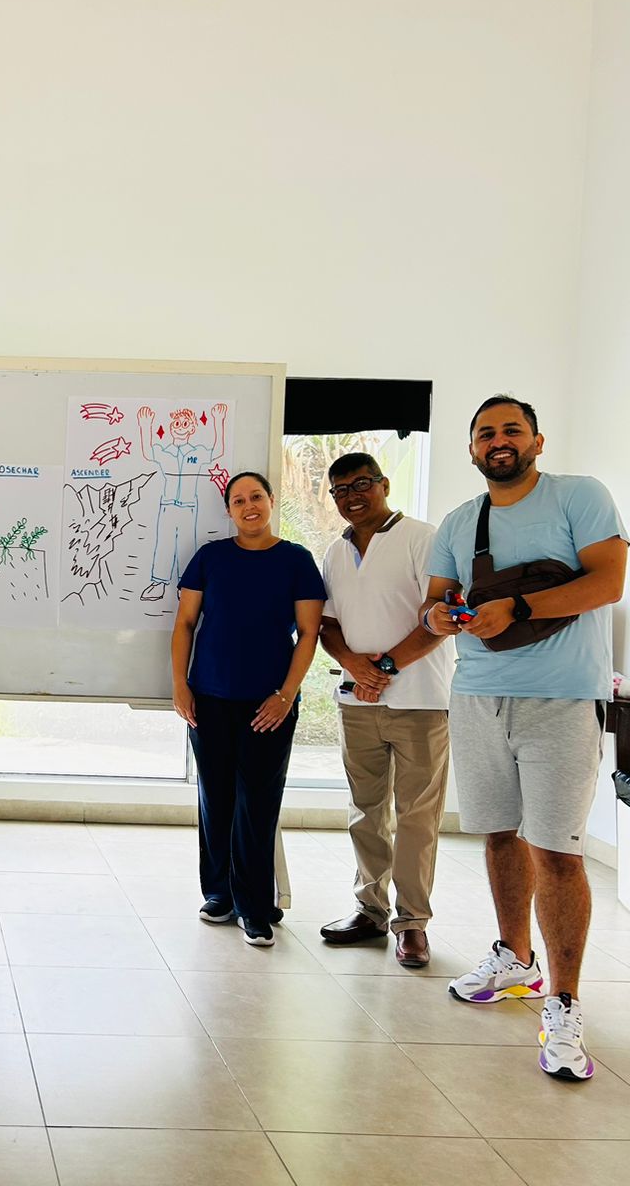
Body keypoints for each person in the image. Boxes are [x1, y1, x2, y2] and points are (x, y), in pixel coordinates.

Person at [425, 396, 627, 1082]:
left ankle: (564, 1005)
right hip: (477, 695)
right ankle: (515, 959)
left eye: (512, 429)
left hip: (562, 699)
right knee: (498, 835)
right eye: (486, 433)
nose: (499, 440)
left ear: (537, 441)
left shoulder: (580, 497)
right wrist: (441, 616)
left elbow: (608, 582)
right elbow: (435, 599)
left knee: (558, 852)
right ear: (472, 450)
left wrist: (518, 606)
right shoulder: (460, 521)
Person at [170, 471, 325, 947]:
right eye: (238, 500)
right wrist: (180, 685)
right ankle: (219, 894)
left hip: (269, 705)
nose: (248, 506)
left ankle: (255, 907)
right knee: (215, 799)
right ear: (229, 510)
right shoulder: (210, 557)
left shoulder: (296, 560)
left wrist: (286, 694)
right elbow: (185, 623)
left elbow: (309, 633)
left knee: (257, 804)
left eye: (256, 496)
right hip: (209, 699)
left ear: (271, 501)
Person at [315, 453, 453, 967]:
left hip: (420, 701)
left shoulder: (422, 537)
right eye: (340, 490)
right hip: (357, 702)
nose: (351, 496)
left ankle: (412, 923)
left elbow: (439, 619)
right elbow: (328, 625)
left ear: (384, 484)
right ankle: (370, 910)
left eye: (361, 484)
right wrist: (356, 667)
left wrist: (386, 668)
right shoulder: (335, 551)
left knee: (417, 816)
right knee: (366, 811)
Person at [137, 402, 228, 602]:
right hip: (168, 506)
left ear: (192, 429)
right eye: (176, 423)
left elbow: (218, 450)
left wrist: (218, 420)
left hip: (188, 507)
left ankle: (185, 585)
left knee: (186, 546)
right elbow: (147, 452)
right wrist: (145, 425)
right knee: (164, 544)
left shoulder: (197, 453)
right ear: (171, 428)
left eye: (185, 423)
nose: (180, 426)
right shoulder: (164, 452)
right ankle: (158, 583)